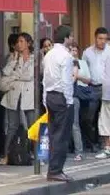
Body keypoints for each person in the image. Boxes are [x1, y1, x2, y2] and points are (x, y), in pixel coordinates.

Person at [42, 25, 75, 182]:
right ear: (67, 37)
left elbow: (45, 79)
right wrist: (69, 102)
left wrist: (44, 98)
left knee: (54, 134)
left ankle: (53, 169)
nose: (72, 39)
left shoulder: (48, 55)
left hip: (49, 96)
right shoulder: (66, 56)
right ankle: (56, 170)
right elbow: (66, 82)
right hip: (61, 97)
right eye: (71, 36)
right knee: (61, 135)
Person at [0, 32, 36, 164]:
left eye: (22, 41)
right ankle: (6, 154)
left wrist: (15, 76)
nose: (19, 44)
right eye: (18, 42)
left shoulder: (35, 57)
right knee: (12, 126)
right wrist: (14, 61)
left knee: (32, 125)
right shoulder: (13, 58)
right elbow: (5, 73)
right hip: (14, 95)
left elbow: (30, 75)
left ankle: (34, 153)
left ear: (28, 43)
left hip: (29, 95)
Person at [83, 27, 109, 154]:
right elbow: (83, 68)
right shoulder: (87, 52)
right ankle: (92, 143)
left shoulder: (109, 51)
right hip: (92, 88)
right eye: (100, 38)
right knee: (89, 118)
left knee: (105, 118)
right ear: (95, 38)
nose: (103, 41)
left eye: (105, 39)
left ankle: (104, 144)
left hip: (106, 88)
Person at [71, 44, 91, 161]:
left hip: (75, 95)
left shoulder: (76, 63)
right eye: (71, 50)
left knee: (75, 125)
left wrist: (77, 76)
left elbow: (86, 79)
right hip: (63, 96)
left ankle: (79, 151)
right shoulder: (66, 62)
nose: (73, 52)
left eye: (75, 50)